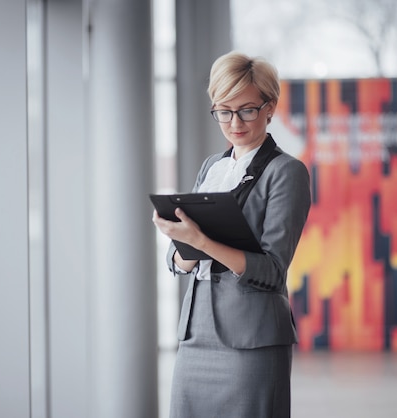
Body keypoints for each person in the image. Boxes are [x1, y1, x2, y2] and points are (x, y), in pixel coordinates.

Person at [152, 51, 311, 418]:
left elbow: (272, 271)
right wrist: (178, 240)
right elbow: (183, 261)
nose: (234, 122)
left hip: (250, 339)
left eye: (247, 110)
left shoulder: (287, 172)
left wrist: (203, 242)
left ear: (269, 107)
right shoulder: (213, 166)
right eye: (224, 110)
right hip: (196, 335)